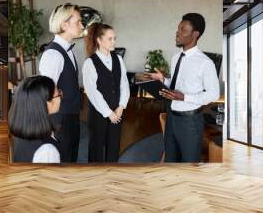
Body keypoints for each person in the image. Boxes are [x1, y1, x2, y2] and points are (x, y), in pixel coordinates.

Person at [146, 13, 220, 162]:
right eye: (178, 28)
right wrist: (163, 80)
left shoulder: (205, 63)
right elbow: (176, 85)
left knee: (189, 165)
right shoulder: (175, 57)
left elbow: (214, 94)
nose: (177, 33)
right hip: (171, 118)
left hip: (190, 122)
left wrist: (184, 97)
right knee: (170, 162)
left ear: (195, 34)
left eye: (183, 30)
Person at [39, 3, 84, 162]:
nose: (82, 25)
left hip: (71, 116)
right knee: (62, 162)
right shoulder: (53, 54)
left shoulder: (68, 51)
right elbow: (46, 94)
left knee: (71, 160)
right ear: (64, 24)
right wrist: (50, 128)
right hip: (60, 120)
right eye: (78, 22)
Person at [82, 23, 130, 162]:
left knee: (113, 149)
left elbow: (124, 84)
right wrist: (109, 113)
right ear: (99, 40)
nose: (114, 42)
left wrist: (121, 107)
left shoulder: (118, 59)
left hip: (118, 112)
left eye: (114, 38)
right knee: (96, 151)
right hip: (98, 115)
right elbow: (92, 92)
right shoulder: (90, 63)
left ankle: (111, 178)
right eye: (110, 39)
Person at [8, 76, 63, 163]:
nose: (61, 97)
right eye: (58, 93)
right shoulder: (47, 151)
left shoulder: (23, 132)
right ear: (46, 103)